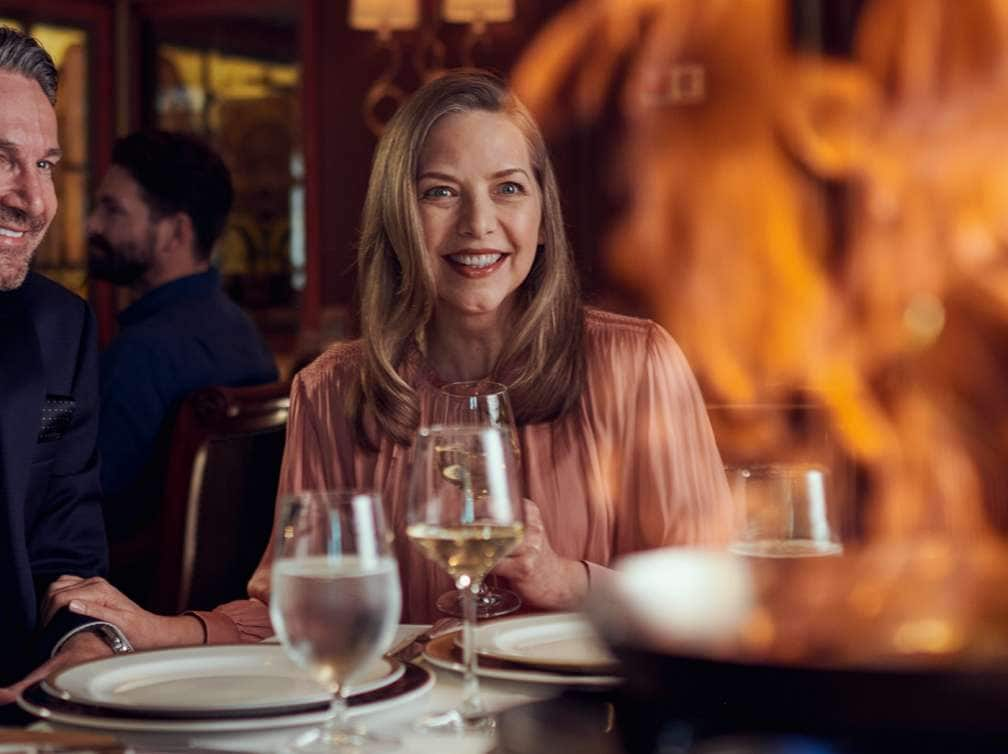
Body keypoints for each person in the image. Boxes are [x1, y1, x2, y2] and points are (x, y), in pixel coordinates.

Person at [43, 70, 733, 646]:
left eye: (508, 187)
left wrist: (563, 579)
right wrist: (152, 628)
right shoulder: (333, 389)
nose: (478, 224)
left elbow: (714, 602)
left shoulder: (638, 365)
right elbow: (299, 613)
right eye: (440, 192)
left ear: (543, 215)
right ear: (398, 215)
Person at [87, 130, 278, 602]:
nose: (91, 225)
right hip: (225, 605)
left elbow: (80, 507)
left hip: (131, 606)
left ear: (176, 232)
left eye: (113, 211)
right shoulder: (243, 333)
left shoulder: (141, 353)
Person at [0, 26, 124, 713]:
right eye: (1, 157)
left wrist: (86, 642)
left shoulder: (61, 329)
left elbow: (66, 556)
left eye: (45, 164)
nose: (35, 199)